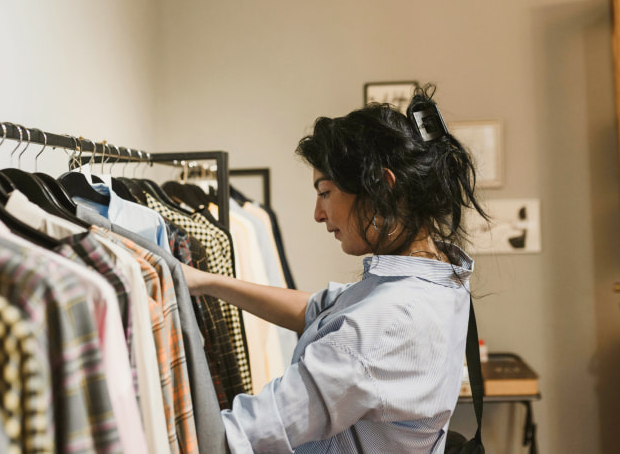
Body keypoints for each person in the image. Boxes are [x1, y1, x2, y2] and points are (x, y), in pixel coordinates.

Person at [180, 85, 489, 453]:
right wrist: (207, 282)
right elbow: (318, 309)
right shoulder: (438, 274)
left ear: (382, 189)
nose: (318, 214)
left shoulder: (387, 323)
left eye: (325, 192)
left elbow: (246, 431)